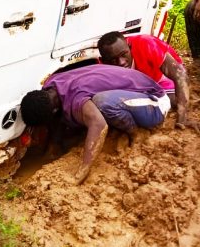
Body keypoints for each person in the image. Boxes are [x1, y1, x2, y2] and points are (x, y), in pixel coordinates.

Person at [20, 65, 170, 184]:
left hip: (154, 101)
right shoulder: (52, 82)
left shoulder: (76, 99)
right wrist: (53, 148)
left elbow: (99, 125)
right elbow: (58, 117)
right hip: (132, 91)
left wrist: (82, 171)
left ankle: (136, 134)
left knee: (102, 103)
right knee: (101, 102)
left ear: (53, 111)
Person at [97, 32, 200, 130]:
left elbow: (180, 75)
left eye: (124, 54)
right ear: (103, 60)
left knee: (173, 101)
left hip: (162, 78)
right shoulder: (102, 69)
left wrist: (182, 118)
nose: (121, 62)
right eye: (113, 60)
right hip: (141, 85)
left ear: (130, 47)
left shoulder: (146, 44)